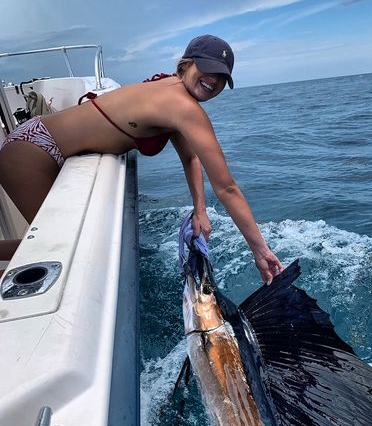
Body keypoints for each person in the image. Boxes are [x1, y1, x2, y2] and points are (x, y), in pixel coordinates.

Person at [0, 35, 283, 284]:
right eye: (207, 69)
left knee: (58, 244)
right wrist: (260, 250)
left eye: (222, 76)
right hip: (32, 151)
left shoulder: (169, 87)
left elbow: (190, 158)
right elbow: (227, 188)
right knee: (55, 249)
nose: (214, 80)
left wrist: (200, 209)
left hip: (37, 137)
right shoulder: (184, 107)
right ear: (186, 64)